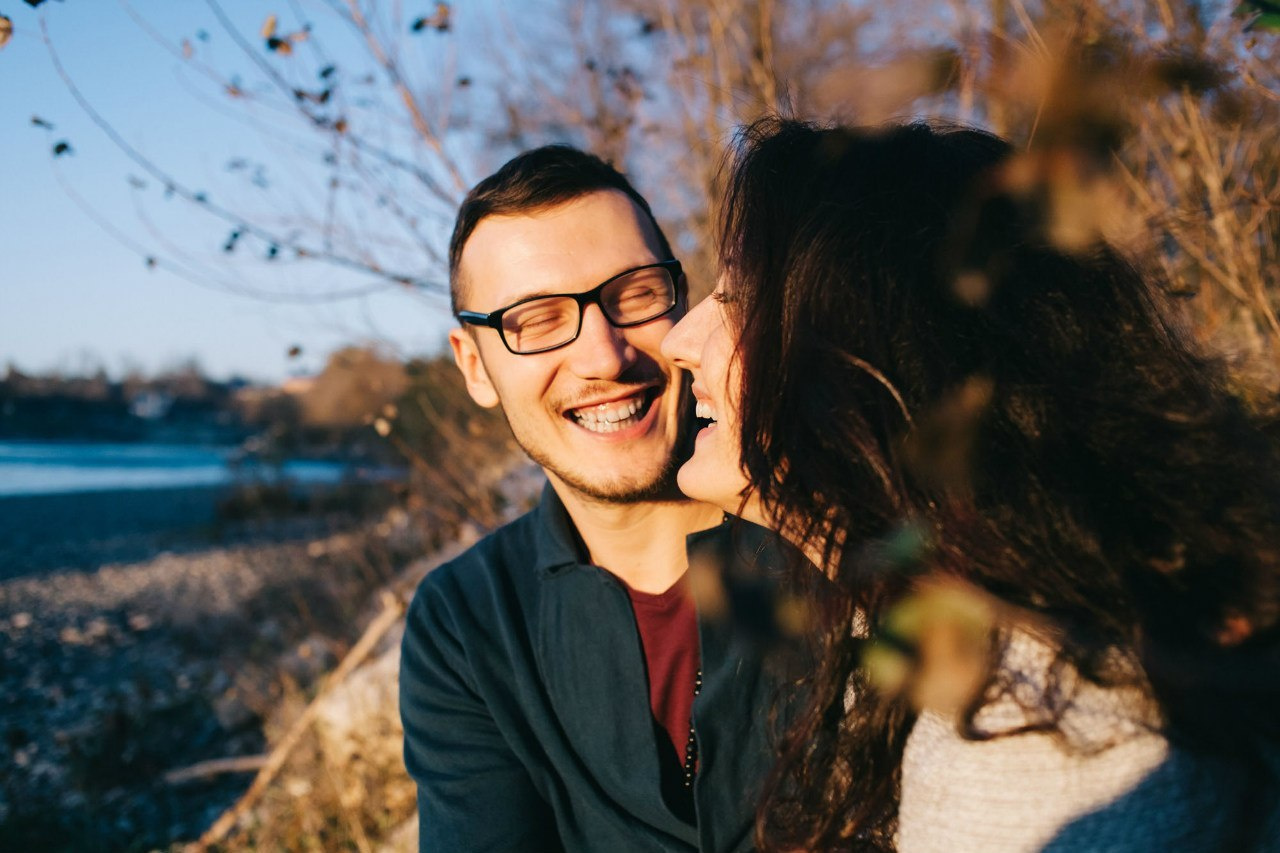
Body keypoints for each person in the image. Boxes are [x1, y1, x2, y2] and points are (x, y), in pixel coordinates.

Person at [661, 119, 1280, 852]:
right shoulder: (955, 642)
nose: (677, 340)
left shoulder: (1028, 754)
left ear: (872, 352)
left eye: (738, 298)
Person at [400, 145, 792, 853]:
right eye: (536, 319)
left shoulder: (823, 538)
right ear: (474, 367)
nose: (605, 357)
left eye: (635, 294)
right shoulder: (469, 622)